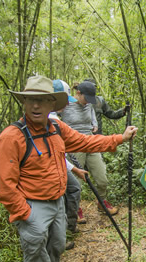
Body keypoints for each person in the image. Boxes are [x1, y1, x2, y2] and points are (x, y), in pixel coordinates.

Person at [0, 75, 137, 262]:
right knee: (36, 251)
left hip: (56, 200)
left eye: (42, 101)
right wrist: (24, 212)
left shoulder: (56, 128)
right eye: (30, 101)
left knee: (57, 243)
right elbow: (4, 185)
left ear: (52, 104)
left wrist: (119, 138)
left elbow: (85, 141)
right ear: (24, 104)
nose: (36, 106)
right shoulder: (11, 137)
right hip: (32, 205)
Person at [61, 81, 119, 215]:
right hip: (74, 144)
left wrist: (94, 126)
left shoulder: (89, 106)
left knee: (102, 178)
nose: (87, 102)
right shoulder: (65, 106)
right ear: (78, 93)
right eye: (86, 98)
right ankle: (75, 209)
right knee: (76, 181)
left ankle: (102, 202)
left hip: (90, 141)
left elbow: (93, 120)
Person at [51, 79, 88, 236]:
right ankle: (62, 232)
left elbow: (58, 155)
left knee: (73, 189)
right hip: (51, 172)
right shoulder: (53, 121)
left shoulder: (55, 119)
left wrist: (74, 169)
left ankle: (68, 227)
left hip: (61, 165)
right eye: (65, 101)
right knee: (63, 195)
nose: (67, 105)